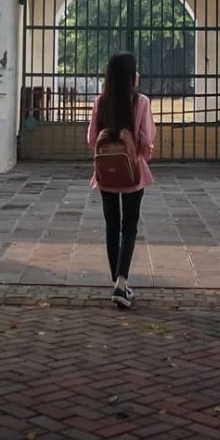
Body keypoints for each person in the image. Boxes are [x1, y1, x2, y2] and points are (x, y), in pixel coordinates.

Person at [87, 51, 155, 309]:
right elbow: (147, 139)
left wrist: (107, 156)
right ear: (131, 76)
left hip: (106, 174)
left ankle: (116, 280)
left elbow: (92, 140)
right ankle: (121, 281)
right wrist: (139, 158)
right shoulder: (141, 102)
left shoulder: (100, 102)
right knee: (129, 227)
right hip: (132, 173)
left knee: (111, 225)